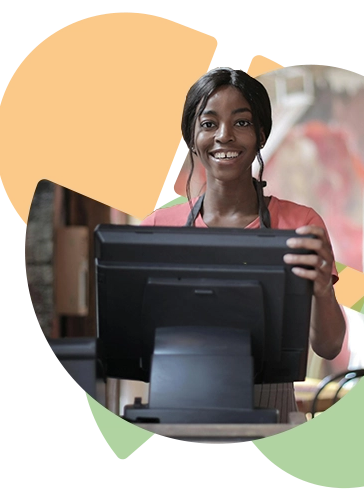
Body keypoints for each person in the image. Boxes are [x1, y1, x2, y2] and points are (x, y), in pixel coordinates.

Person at [140, 67, 346, 362]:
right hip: (175, 397)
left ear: (261, 135)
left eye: (241, 122)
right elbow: (132, 335)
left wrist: (323, 288)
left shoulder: (301, 227)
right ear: (191, 138)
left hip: (272, 401)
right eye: (209, 123)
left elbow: (329, 348)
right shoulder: (156, 230)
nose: (225, 135)